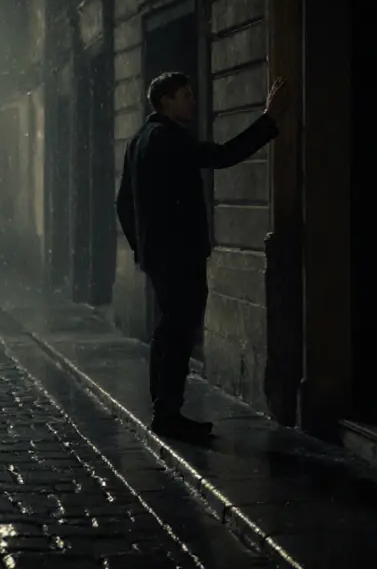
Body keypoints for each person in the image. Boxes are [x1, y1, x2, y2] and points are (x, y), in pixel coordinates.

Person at [117, 72, 289, 442]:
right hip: (180, 254)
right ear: (166, 101)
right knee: (178, 331)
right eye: (186, 95)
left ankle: (164, 408)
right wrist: (269, 120)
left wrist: (143, 247)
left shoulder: (138, 140)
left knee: (168, 330)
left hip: (162, 255)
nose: (193, 101)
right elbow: (222, 155)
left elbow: (122, 203)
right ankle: (168, 413)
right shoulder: (169, 138)